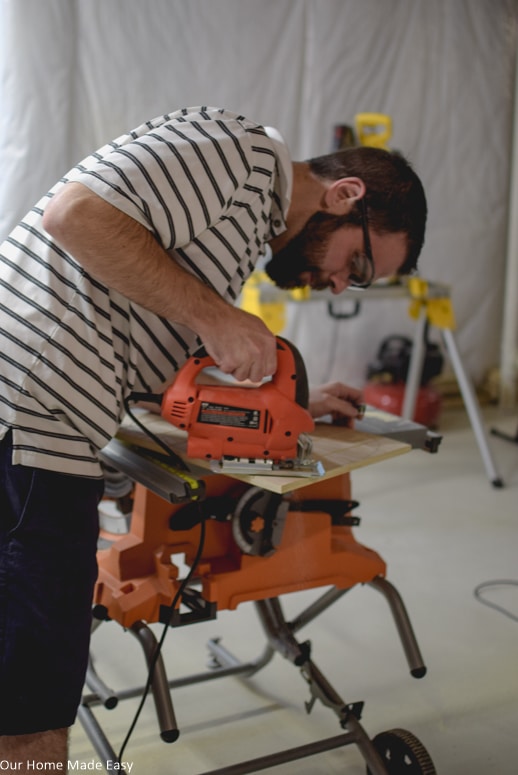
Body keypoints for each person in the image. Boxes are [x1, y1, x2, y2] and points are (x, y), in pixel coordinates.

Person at [0, 106, 427, 767]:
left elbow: (150, 356)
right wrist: (218, 317)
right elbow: (75, 216)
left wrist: (284, 401)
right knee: (33, 707)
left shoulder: (241, 227)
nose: (340, 283)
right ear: (346, 196)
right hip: (33, 421)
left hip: (41, 417)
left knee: (22, 677)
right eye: (359, 265)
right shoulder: (240, 154)